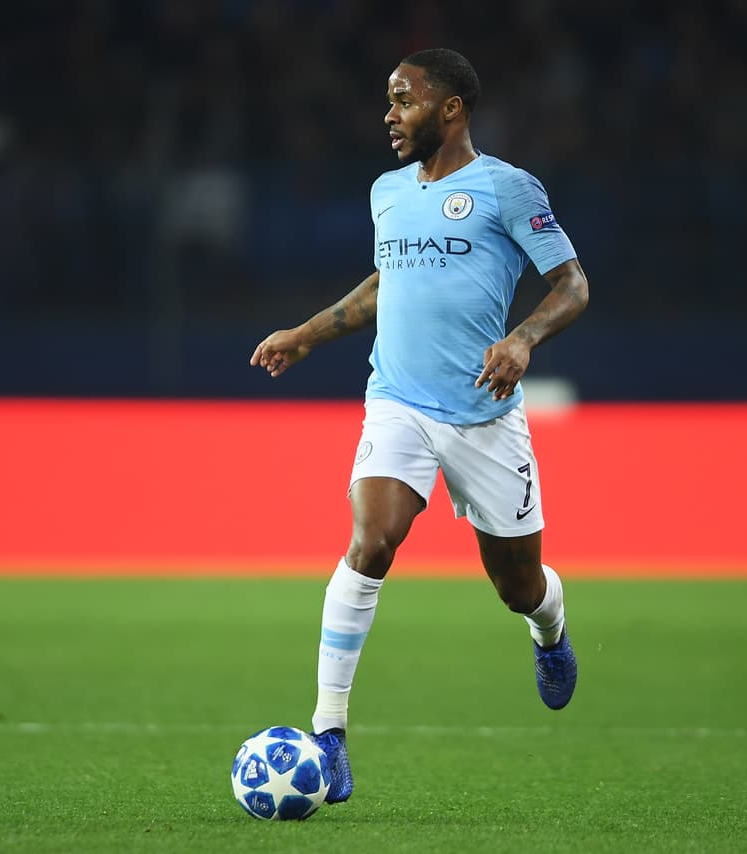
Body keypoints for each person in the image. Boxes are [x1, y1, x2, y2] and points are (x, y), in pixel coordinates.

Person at [249, 47, 589, 804]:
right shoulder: (387, 192)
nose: (389, 115)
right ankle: (329, 735)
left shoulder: (506, 188)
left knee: (518, 584)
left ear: (451, 109)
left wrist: (523, 338)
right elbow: (386, 282)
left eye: (403, 100)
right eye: (388, 101)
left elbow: (572, 283)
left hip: (484, 415)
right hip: (396, 400)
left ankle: (549, 630)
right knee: (371, 540)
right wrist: (307, 332)